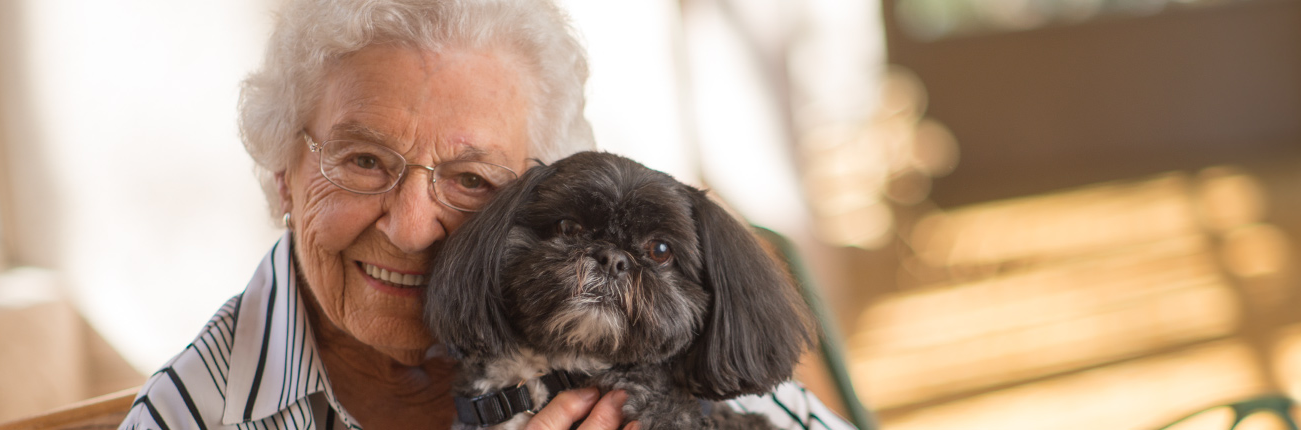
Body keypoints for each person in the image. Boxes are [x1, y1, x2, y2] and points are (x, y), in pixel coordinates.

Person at [119, 0, 854, 429]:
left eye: (471, 180)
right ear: (285, 172)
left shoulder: (660, 358)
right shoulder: (194, 412)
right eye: (364, 161)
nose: (410, 227)